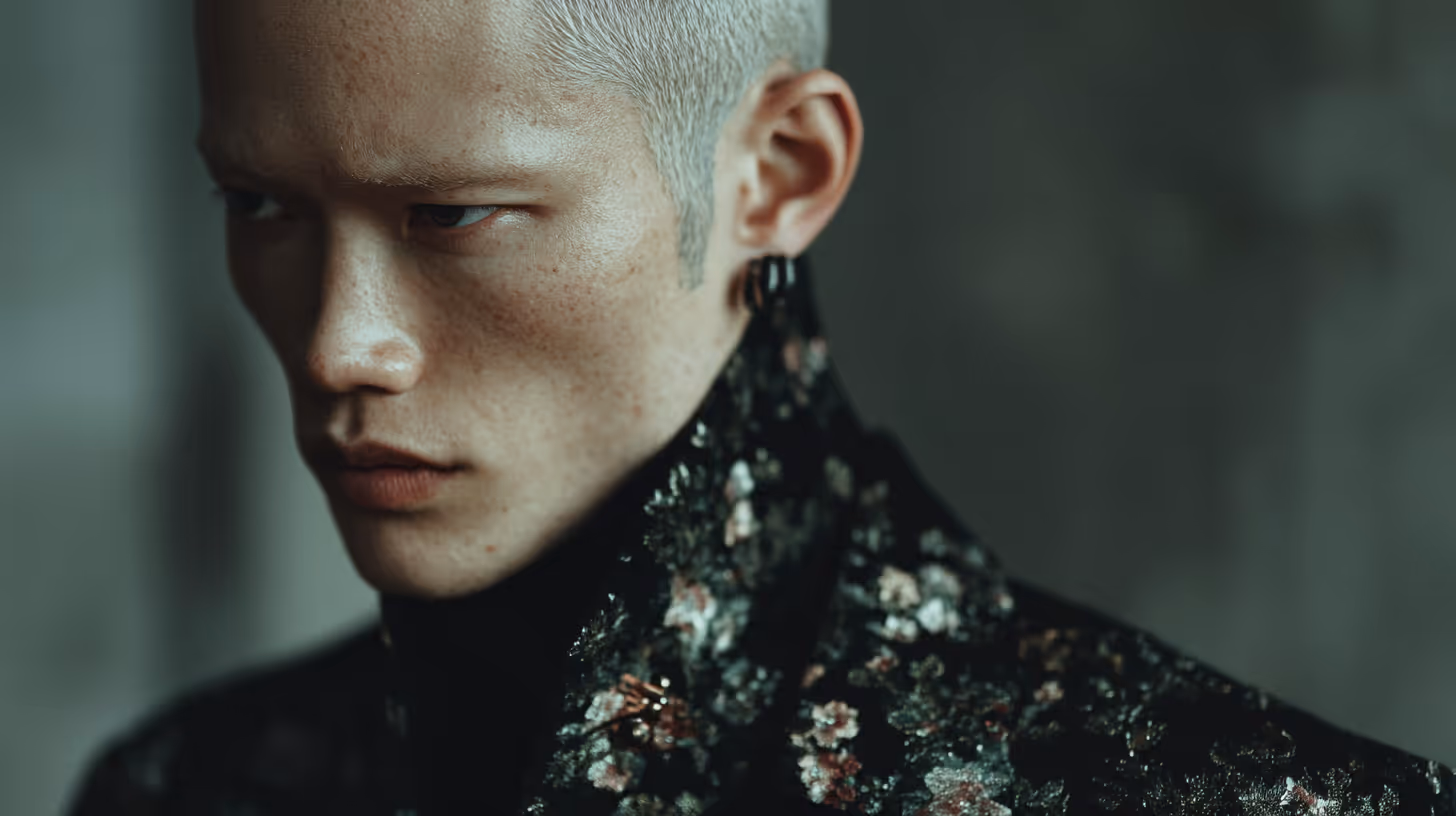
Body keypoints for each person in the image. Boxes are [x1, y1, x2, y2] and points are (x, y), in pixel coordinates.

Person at [68, 1, 1454, 814]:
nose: (337, 345)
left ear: (776, 174)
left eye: (452, 215)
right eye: (258, 205)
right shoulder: (189, 788)